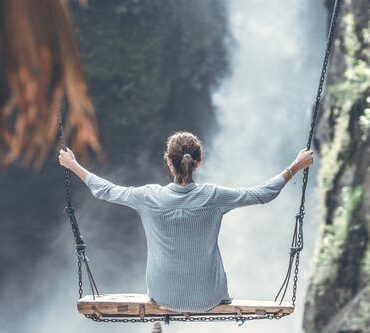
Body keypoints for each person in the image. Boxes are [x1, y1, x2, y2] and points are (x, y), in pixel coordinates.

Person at [58, 131, 314, 313]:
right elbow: (262, 194)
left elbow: (106, 190)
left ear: (168, 161)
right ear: (199, 163)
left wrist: (74, 165)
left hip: (163, 296)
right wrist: (295, 166)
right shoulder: (214, 196)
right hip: (210, 298)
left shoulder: (148, 197)